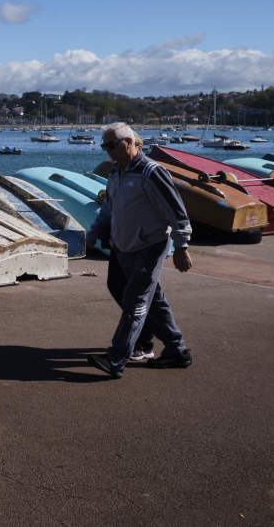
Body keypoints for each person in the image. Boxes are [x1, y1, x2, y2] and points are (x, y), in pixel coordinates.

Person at [85, 123, 193, 378]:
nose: (107, 150)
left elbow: (176, 212)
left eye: (112, 145)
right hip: (124, 246)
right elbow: (109, 209)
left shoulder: (151, 173)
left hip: (149, 246)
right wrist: (94, 234)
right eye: (105, 145)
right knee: (148, 299)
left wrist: (182, 246)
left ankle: (116, 358)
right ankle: (176, 349)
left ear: (130, 143)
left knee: (135, 301)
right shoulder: (115, 172)